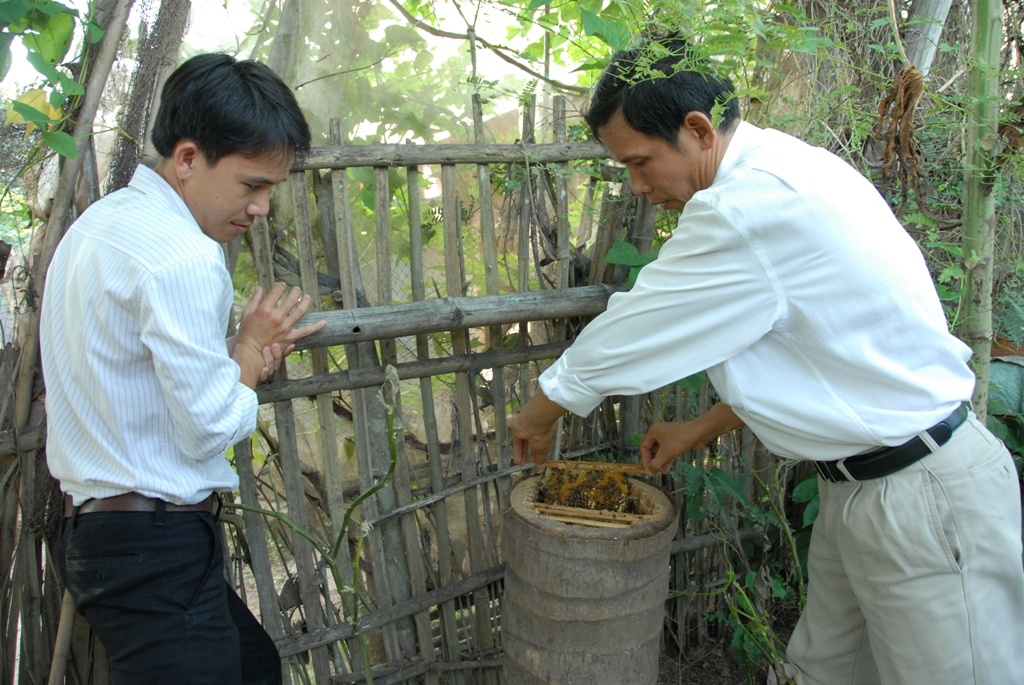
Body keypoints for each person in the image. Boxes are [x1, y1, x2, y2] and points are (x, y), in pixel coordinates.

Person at [511, 36, 1024, 685]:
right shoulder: (783, 169)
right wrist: (699, 427)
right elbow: (821, 354)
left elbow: (636, 328)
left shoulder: (749, 204)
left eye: (640, 163)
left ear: (697, 129)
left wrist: (541, 408)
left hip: (921, 496)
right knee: (821, 671)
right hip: (868, 488)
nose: (638, 188)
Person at [41, 53, 326, 685]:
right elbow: (207, 426)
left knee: (255, 668)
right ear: (190, 158)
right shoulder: (184, 258)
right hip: (151, 543)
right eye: (253, 186)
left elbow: (138, 380)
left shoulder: (103, 226)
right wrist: (250, 355)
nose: (260, 210)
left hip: (110, 539)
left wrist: (232, 359)